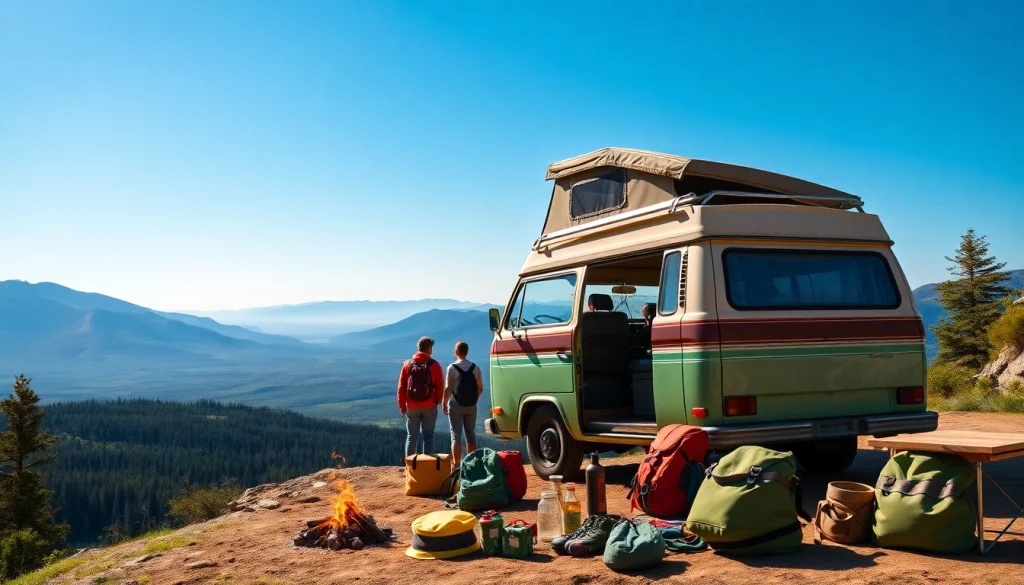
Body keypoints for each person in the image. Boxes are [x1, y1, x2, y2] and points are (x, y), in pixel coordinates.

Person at [397, 336, 445, 457]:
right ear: (429, 349)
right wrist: (438, 400)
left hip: (411, 406)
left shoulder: (407, 364)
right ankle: (426, 467)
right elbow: (440, 386)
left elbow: (401, 387)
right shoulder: (434, 365)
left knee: (411, 437)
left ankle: (409, 468)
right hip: (429, 405)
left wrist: (402, 406)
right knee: (428, 436)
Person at [443, 341, 484, 465]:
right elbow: (480, 388)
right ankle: (471, 465)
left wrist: (444, 403)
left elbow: (448, 388)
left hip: (455, 404)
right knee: (471, 436)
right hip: (471, 405)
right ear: (467, 352)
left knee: (456, 436)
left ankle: (456, 465)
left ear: (456, 352)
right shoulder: (475, 368)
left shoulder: (452, 368)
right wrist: (473, 398)